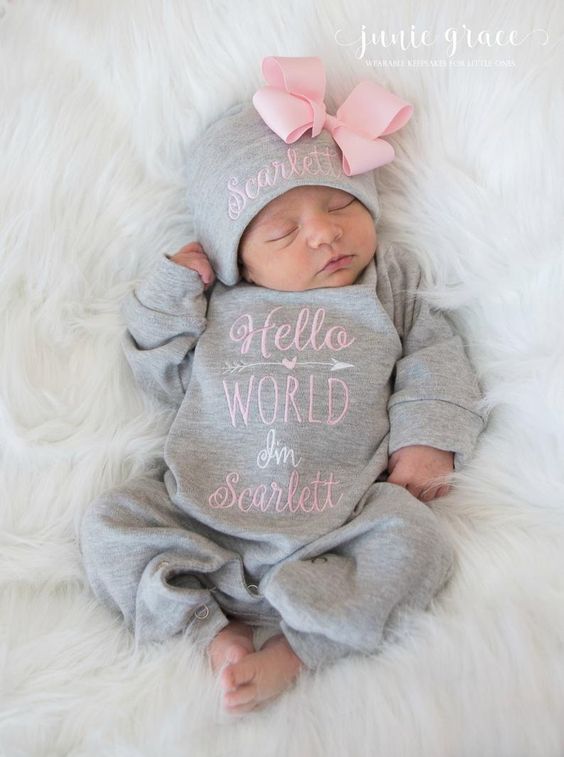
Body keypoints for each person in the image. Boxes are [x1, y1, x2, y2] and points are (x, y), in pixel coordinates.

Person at [79, 56, 487, 715]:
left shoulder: (385, 283)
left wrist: (428, 436)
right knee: (107, 524)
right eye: (282, 230)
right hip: (201, 518)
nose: (324, 232)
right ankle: (212, 634)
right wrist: (170, 290)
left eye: (339, 204)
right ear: (236, 256)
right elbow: (155, 370)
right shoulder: (218, 304)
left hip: (339, 528)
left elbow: (437, 351)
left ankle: (300, 650)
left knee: (421, 542)